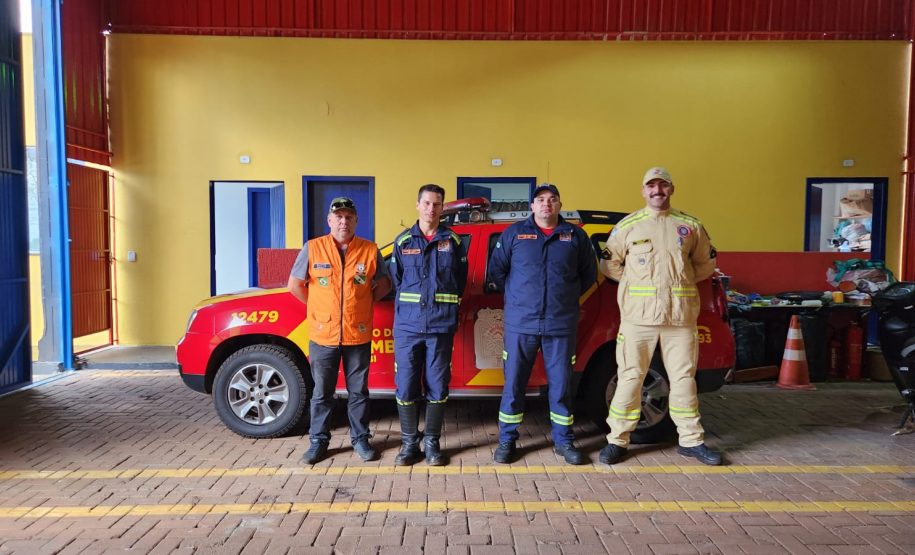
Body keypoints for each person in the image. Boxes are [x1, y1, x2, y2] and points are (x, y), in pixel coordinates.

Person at [598, 167, 723, 466]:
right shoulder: (629, 225)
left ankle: (691, 441)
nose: (657, 191)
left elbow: (705, 265)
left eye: (663, 185)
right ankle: (617, 441)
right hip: (638, 319)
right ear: (643, 191)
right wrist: (634, 285)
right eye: (651, 186)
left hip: (679, 319)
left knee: (683, 380)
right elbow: (610, 265)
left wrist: (681, 282)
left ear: (672, 189)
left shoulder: (690, 226)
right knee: (629, 379)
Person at [488, 183, 597, 465]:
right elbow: (497, 271)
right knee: (513, 385)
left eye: (552, 199)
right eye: (540, 200)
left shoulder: (575, 236)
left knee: (560, 386)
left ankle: (564, 441)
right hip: (520, 324)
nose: (546, 204)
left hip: (560, 324)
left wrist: (566, 298)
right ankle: (507, 441)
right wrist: (517, 297)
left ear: (559, 205)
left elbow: (588, 275)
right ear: (532, 206)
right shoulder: (514, 234)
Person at [288, 197, 391, 464]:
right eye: (339, 216)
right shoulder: (313, 248)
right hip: (323, 335)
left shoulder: (370, 250)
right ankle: (318, 442)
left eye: (349, 217)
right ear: (330, 220)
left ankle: (360, 440)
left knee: (358, 392)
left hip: (358, 333)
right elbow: (295, 285)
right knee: (322, 392)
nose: (344, 221)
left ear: (356, 221)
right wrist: (319, 308)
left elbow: (383, 284)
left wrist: (363, 303)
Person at [389, 184, 469, 466]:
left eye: (437, 204)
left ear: (442, 207)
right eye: (426, 203)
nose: (431, 209)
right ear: (417, 205)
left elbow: (459, 281)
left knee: (438, 385)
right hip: (408, 328)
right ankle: (410, 443)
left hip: (439, 328)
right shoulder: (403, 242)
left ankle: (432, 442)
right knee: (406, 385)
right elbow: (396, 281)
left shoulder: (454, 242)